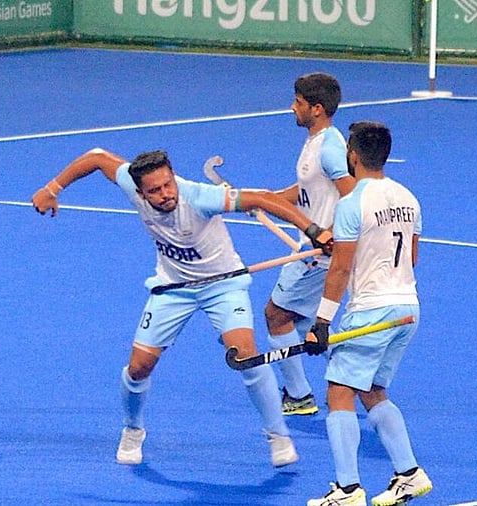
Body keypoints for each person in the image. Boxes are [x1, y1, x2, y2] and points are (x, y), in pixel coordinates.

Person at [31, 148, 333, 467]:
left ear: (173, 175)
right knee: (138, 368)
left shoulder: (198, 197)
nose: (164, 194)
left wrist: (314, 231)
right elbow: (95, 158)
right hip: (173, 289)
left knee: (247, 356)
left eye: (167, 185)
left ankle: (278, 435)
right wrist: (52, 189)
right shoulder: (129, 183)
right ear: (139, 191)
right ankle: (133, 430)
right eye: (154, 191)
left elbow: (261, 199)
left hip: (222, 286)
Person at [304, 122, 432, 506]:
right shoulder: (409, 198)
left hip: (370, 311)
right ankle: (409, 474)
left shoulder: (351, 204)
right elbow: (411, 257)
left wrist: (322, 322)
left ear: (353, 156)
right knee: (373, 390)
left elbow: (340, 270)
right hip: (407, 308)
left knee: (339, 393)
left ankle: (347, 490)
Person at [264, 72, 355, 416]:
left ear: (316, 108)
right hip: (314, 246)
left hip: (319, 253)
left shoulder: (331, 149)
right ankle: (347, 378)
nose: (292, 108)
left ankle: (299, 396)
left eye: (298, 103)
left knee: (276, 315)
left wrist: (331, 231)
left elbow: (354, 195)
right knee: (303, 322)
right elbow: (306, 192)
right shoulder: (317, 142)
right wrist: (264, 200)